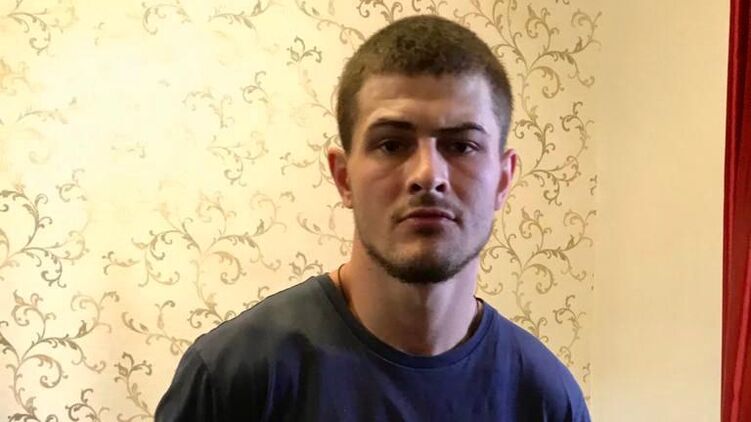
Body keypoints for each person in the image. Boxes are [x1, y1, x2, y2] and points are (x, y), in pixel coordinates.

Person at [155, 15, 590, 421]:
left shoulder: (546, 399)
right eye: (391, 144)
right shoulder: (233, 378)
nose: (428, 175)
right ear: (343, 177)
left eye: (461, 146)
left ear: (503, 179)